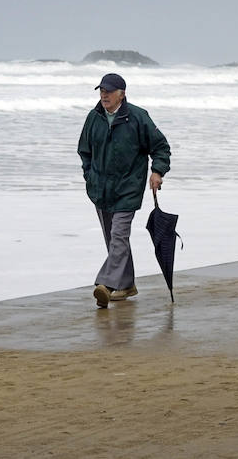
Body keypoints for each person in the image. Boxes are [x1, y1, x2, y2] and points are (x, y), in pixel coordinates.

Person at [77, 73, 171, 308]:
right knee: (114, 239)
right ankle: (126, 284)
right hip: (101, 189)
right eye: (101, 91)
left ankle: (106, 284)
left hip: (128, 188)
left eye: (109, 91)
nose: (104, 95)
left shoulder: (138, 117)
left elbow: (160, 147)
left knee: (119, 235)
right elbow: (84, 151)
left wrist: (157, 171)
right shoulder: (94, 117)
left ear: (122, 94)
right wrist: (89, 177)